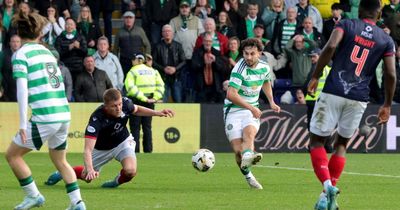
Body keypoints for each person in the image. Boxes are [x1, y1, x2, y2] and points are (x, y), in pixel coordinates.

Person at [306, 0, 396, 209]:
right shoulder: (386, 39)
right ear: (379, 13)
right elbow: (391, 73)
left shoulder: (346, 25)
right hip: (359, 97)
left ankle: (327, 185)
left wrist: (315, 75)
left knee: (317, 142)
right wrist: (387, 104)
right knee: (341, 145)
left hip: (333, 90)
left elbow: (331, 46)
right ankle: (324, 197)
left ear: (360, 10)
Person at [4, 11, 85, 210]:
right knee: (60, 160)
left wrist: (23, 123)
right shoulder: (46, 52)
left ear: (19, 33)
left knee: (12, 155)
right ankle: (77, 202)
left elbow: (22, 90)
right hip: (63, 113)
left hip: (45, 115)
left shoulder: (20, 54)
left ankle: (33, 196)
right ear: (39, 33)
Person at [45, 88, 174, 188]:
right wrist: (90, 169)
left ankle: (115, 182)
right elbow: (88, 150)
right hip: (102, 149)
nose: (118, 108)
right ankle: (63, 172)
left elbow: (137, 109)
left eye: (119, 104)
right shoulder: (97, 119)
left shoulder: (125, 104)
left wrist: (157, 113)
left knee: (130, 171)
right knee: (87, 177)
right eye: (114, 106)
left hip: (122, 142)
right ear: (106, 106)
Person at [224, 38, 281, 189]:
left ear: (260, 53)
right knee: (238, 152)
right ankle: (248, 175)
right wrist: (251, 107)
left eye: (252, 54)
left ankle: (249, 154)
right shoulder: (239, 68)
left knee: (249, 134)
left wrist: (271, 101)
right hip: (233, 110)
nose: (248, 57)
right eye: (246, 54)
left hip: (251, 109)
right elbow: (231, 94)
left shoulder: (264, 67)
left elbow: (266, 82)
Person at [125, 53, 165, 153]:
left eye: (133, 59)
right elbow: (161, 86)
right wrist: (155, 98)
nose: (132, 61)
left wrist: (143, 98)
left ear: (136, 60)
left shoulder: (132, 71)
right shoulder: (153, 71)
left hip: (136, 101)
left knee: (135, 128)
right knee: (147, 127)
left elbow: (130, 87)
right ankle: (148, 151)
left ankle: (134, 151)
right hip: (150, 100)